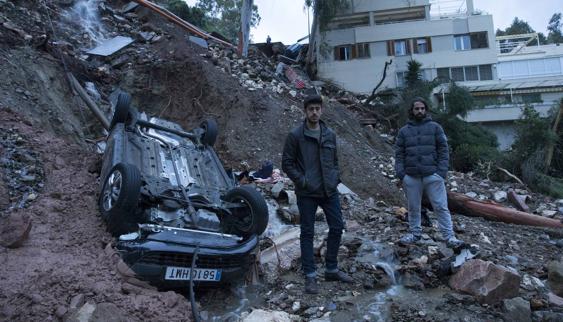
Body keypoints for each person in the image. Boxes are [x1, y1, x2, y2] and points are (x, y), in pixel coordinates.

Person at [282, 94, 353, 294]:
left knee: (337, 226)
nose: (314, 112)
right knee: (307, 232)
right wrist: (302, 180)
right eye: (310, 109)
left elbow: (335, 160)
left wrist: (335, 178)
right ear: (305, 111)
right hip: (307, 192)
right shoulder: (295, 135)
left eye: (317, 108)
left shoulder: (329, 134)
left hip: (329, 190)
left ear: (322, 110)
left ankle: (331, 269)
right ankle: (311, 276)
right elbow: (287, 163)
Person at [394, 97, 464, 248]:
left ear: (426, 110)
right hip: (411, 176)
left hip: (432, 175)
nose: (419, 111)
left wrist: (441, 172)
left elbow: (443, 150)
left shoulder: (435, 128)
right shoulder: (404, 131)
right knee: (413, 207)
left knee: (440, 206)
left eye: (422, 108)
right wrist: (402, 174)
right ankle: (414, 233)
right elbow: (399, 154)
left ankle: (449, 237)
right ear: (412, 111)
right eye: (416, 108)